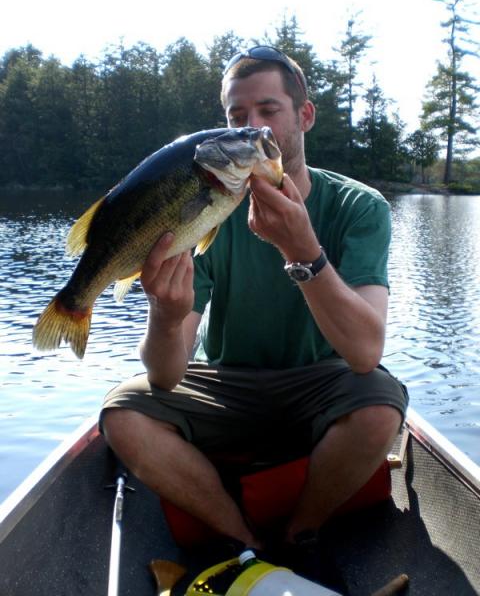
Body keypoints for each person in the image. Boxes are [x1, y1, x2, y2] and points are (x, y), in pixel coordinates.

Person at [100, 46, 408, 555]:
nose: (253, 127)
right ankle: (243, 542)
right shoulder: (206, 213)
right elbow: (166, 376)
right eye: (236, 116)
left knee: (380, 405)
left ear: (304, 116)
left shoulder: (358, 207)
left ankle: (300, 533)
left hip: (321, 382)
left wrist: (302, 250)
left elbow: (364, 353)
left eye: (268, 110)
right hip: (224, 384)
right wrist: (166, 317)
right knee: (122, 415)